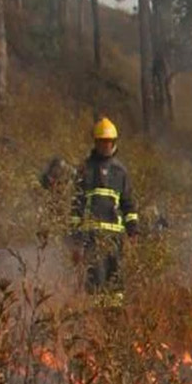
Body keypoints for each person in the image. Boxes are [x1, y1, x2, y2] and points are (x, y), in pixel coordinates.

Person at [70, 118, 139, 305]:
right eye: (101, 141)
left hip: (115, 238)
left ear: (114, 142)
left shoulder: (120, 171)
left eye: (107, 141)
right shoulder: (85, 169)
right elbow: (76, 207)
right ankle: (97, 322)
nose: (104, 145)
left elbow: (128, 204)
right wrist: (76, 241)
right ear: (95, 142)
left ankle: (114, 322)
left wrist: (132, 231)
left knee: (116, 282)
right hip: (93, 238)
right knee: (96, 282)